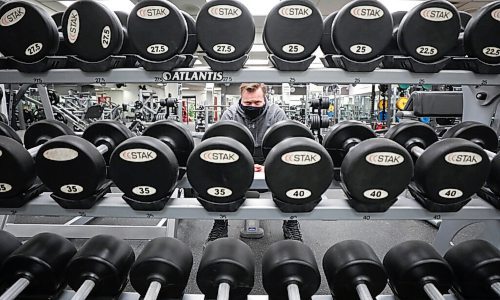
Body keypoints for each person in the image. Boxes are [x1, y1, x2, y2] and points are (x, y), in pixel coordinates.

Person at [205, 83, 303, 245]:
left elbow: (286, 146)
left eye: (257, 103)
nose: (252, 106)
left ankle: (290, 221)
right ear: (241, 99)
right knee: (217, 173)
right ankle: (220, 223)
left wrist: (270, 166)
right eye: (248, 103)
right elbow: (221, 147)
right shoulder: (229, 114)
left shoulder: (276, 113)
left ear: (265, 98)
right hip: (237, 160)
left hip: (270, 159)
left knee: (294, 173)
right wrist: (244, 165)